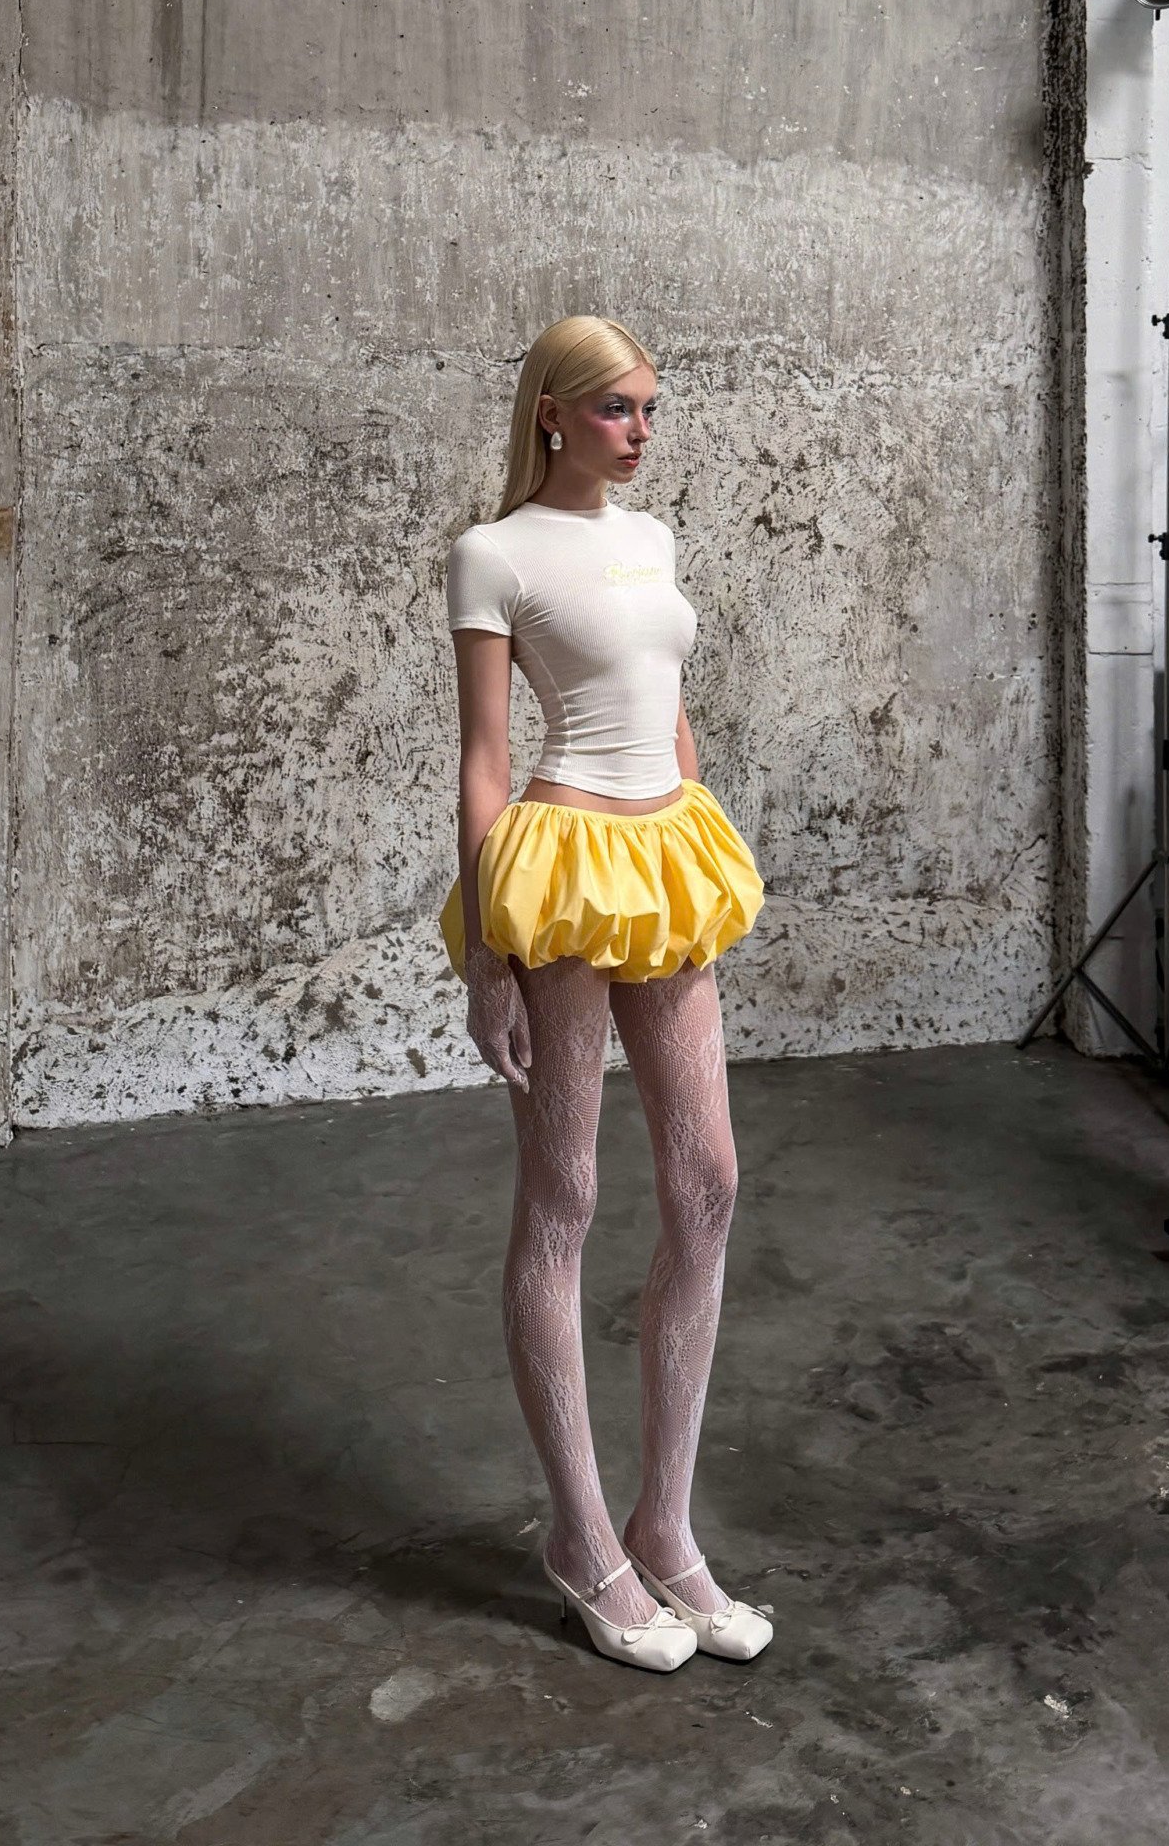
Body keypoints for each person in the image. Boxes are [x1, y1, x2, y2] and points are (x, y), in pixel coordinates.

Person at [437, 315, 773, 1672]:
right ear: (555, 414)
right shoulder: (494, 553)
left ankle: (666, 1528)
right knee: (565, 1193)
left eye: (650, 407)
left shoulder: (654, 539)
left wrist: (694, 816)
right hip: (565, 865)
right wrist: (488, 957)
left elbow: (666, 701)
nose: (642, 430)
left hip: (664, 854)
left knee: (709, 1182)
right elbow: (483, 758)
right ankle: (582, 1539)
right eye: (618, 408)